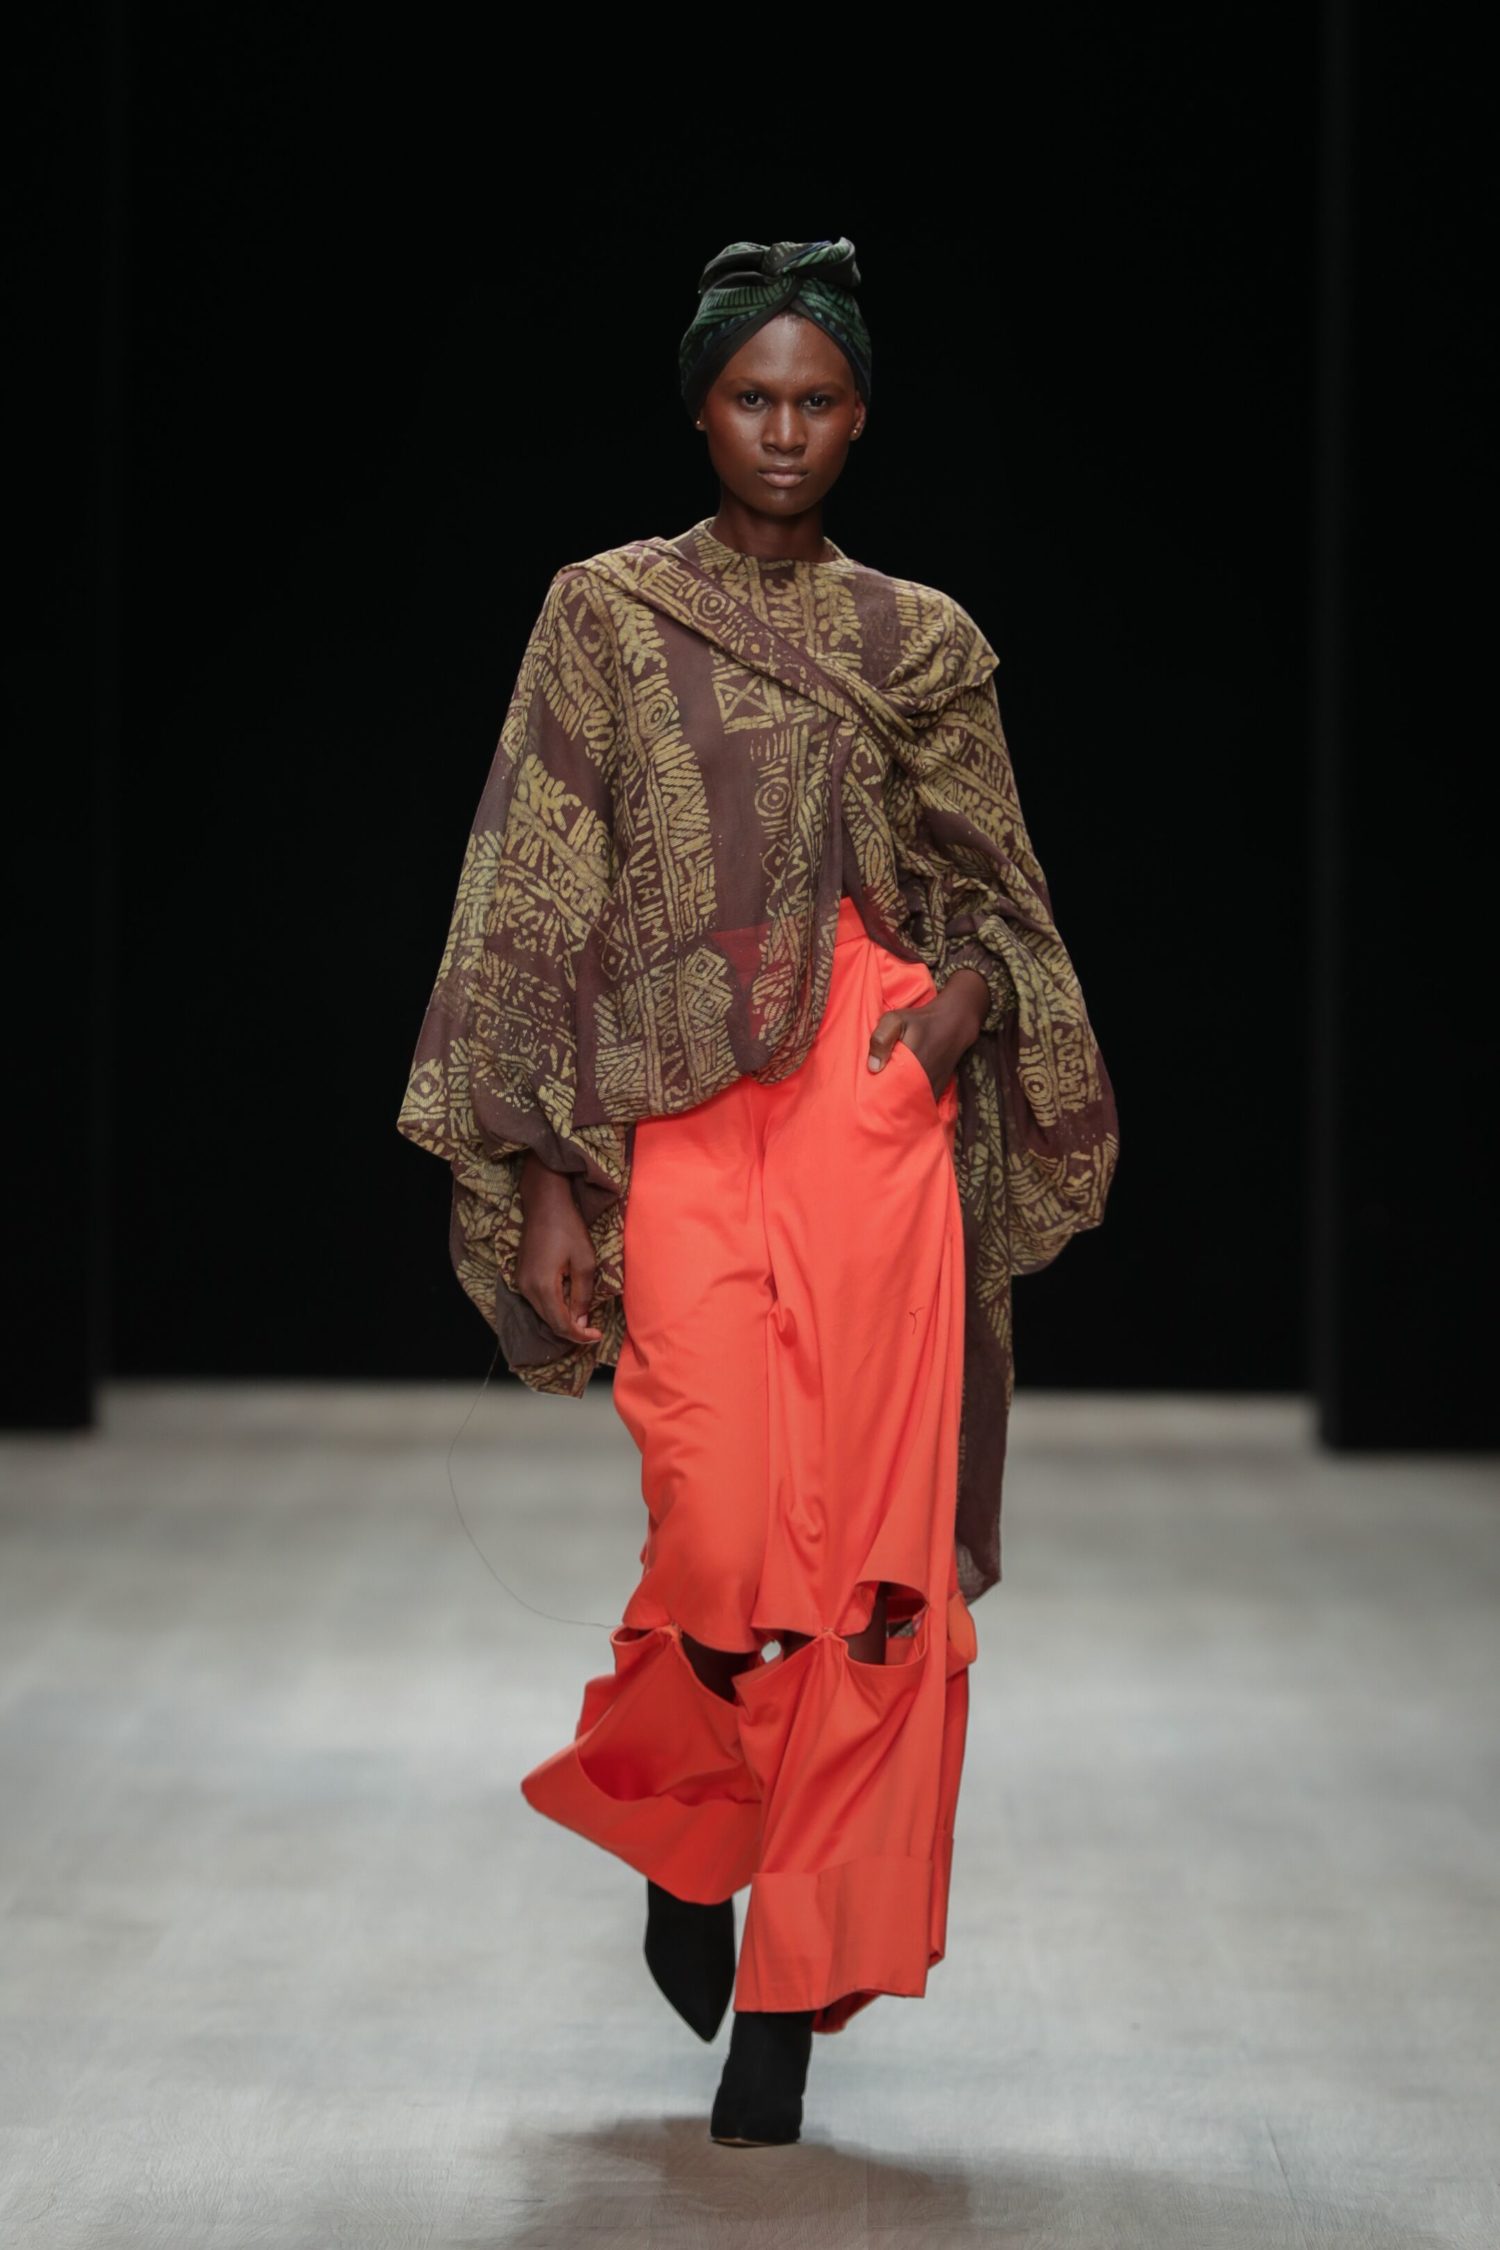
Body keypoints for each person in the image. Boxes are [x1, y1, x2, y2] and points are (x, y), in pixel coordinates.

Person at [396, 237, 1119, 2146]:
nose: (783, 431)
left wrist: (950, 1023)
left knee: (865, 1565)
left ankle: (788, 1996)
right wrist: (550, 1175)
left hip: (870, 1118)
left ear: (860, 416)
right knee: (718, 1535)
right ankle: (689, 1835)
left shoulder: (923, 640)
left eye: (816, 400)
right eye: (751, 397)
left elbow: (1006, 897)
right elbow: (534, 888)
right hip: (681, 1111)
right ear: (700, 408)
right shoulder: (605, 612)